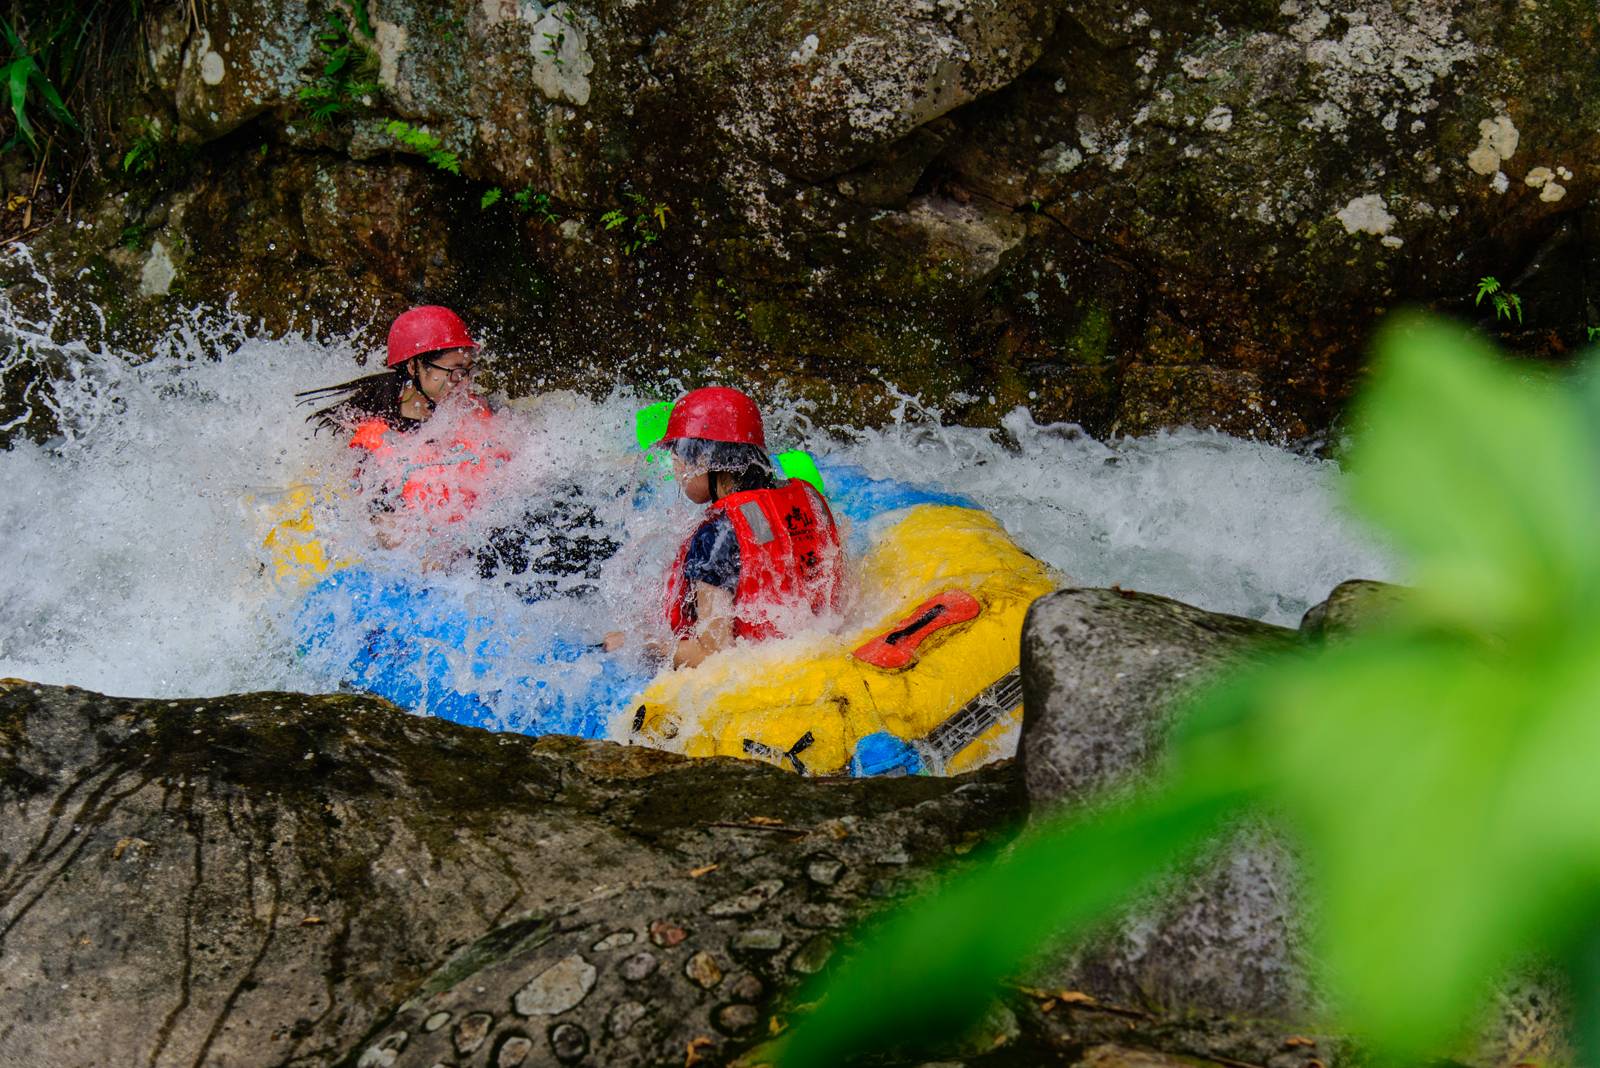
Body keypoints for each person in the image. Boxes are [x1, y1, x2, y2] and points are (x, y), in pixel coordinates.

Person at [605, 387, 844, 669]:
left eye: (679, 454)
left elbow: (715, 656)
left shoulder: (717, 536)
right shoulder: (808, 499)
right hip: (822, 649)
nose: (675, 466)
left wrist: (640, 642)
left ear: (706, 460)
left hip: (760, 678)